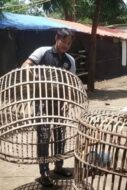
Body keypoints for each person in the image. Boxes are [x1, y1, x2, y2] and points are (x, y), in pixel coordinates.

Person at [22, 28, 76, 187]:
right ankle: (44, 172)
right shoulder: (42, 52)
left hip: (59, 104)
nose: (65, 45)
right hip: (43, 103)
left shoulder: (70, 60)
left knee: (60, 136)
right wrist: (29, 72)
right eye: (63, 41)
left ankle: (58, 167)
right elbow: (27, 64)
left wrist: (67, 100)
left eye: (68, 43)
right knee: (44, 137)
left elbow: (70, 83)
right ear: (56, 38)